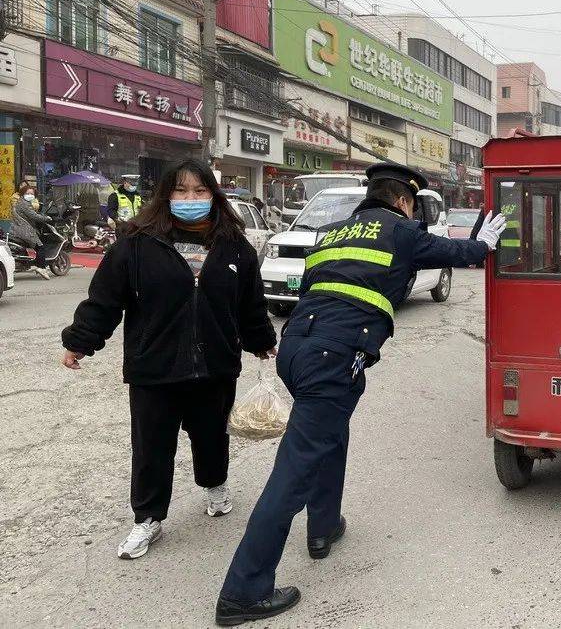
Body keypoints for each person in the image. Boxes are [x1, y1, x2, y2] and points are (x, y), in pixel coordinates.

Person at [215, 162, 507, 626]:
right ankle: (243, 592)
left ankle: (323, 526)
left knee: (331, 433)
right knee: (293, 471)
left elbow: (315, 290)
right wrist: (485, 241)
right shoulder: (402, 231)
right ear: (404, 201)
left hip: (296, 349)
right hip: (333, 359)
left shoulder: (330, 231)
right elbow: (465, 253)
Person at [61, 159, 277, 560]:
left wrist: (261, 340)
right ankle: (147, 519)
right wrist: (81, 340)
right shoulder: (136, 243)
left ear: (214, 195)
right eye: (181, 191)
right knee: (151, 446)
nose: (190, 199)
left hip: (215, 365)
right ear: (166, 196)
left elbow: (250, 304)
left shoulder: (234, 246)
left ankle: (215, 486)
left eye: (199, 191)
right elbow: (105, 299)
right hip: (153, 366)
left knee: (212, 436)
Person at [11, 182, 53, 280]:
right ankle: (41, 267)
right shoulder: (24, 204)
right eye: (28, 193)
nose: (30, 195)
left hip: (17, 229)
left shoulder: (20, 202)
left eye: (32, 194)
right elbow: (33, 215)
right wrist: (46, 218)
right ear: (22, 193)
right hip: (24, 231)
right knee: (40, 247)